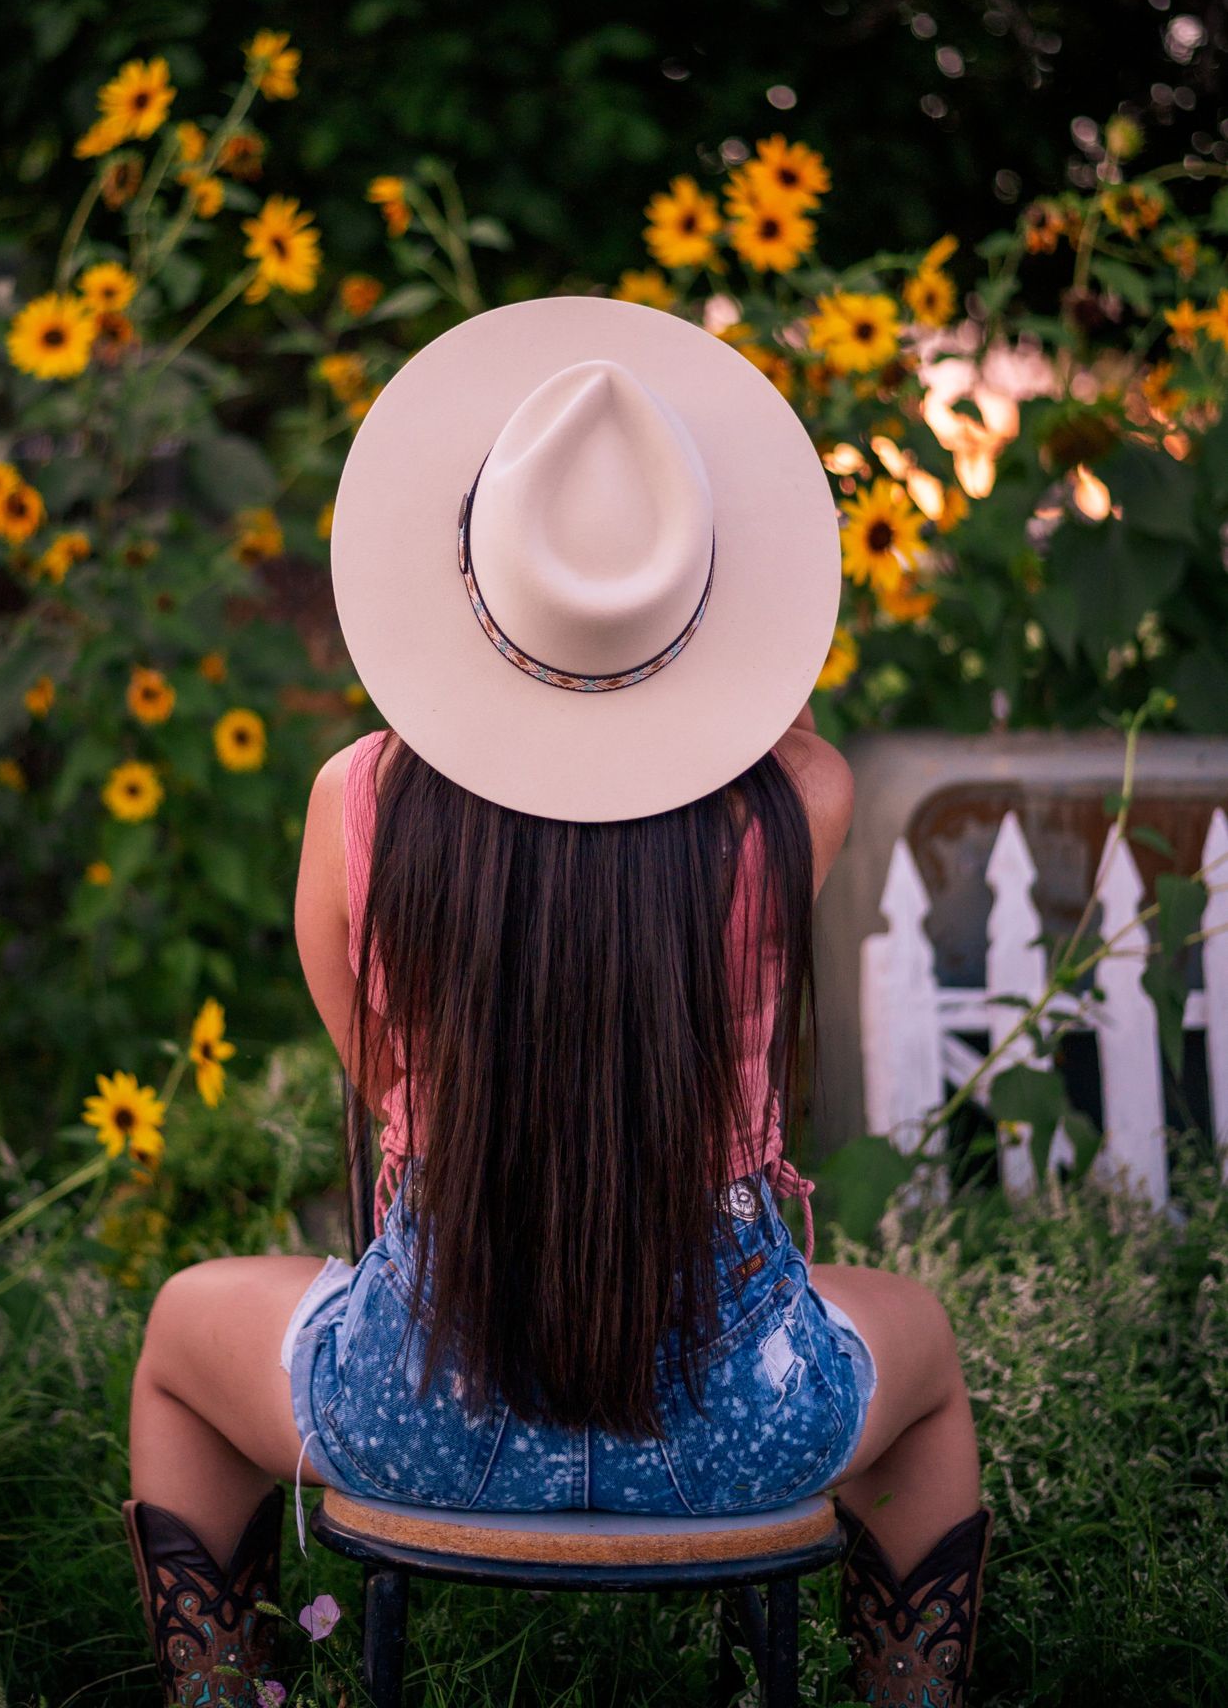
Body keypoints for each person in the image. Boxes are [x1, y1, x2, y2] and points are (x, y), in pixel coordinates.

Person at [123, 297, 991, 1705]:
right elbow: (783, 718)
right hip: (737, 1437)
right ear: (692, 601)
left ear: (471, 582)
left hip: (418, 1424)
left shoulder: (355, 804)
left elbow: (382, 1080)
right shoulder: (798, 809)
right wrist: (697, 631)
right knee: (926, 1350)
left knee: (179, 1336)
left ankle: (224, 1689)